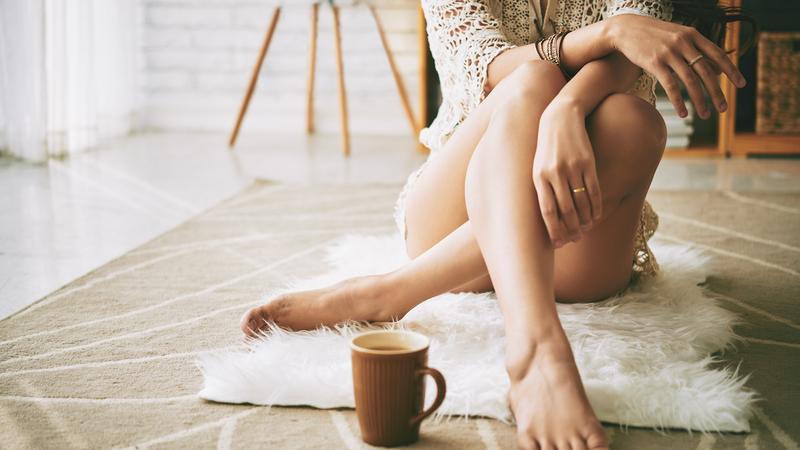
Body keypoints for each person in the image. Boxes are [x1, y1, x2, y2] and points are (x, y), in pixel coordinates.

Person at [241, 1, 754, 448]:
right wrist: (608, 32)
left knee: (633, 123)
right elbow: (491, 67)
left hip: (576, 234)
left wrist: (568, 109)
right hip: (452, 215)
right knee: (530, 79)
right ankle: (536, 352)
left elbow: (635, 50)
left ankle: (394, 291)